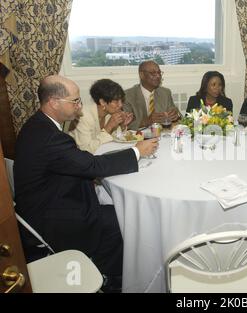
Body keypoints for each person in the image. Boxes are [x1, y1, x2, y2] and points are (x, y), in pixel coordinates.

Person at [13, 75, 159, 291]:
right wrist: (137, 151)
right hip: (51, 217)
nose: (80, 106)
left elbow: (75, 164)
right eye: (75, 101)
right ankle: (110, 277)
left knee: (112, 203)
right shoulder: (51, 137)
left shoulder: (36, 125)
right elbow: (91, 165)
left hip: (44, 201)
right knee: (122, 217)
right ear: (53, 102)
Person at [70, 79, 133, 154]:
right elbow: (85, 150)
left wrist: (122, 125)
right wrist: (108, 127)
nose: (120, 105)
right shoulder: (83, 116)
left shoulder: (109, 113)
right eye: (116, 101)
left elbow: (113, 139)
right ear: (102, 102)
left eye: (121, 100)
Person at [124, 60, 180, 130]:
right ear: (141, 75)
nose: (158, 76)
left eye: (159, 72)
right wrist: (147, 121)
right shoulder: (128, 96)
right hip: (138, 138)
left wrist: (175, 116)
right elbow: (125, 125)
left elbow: (177, 116)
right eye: (153, 73)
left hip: (161, 135)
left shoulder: (165, 93)